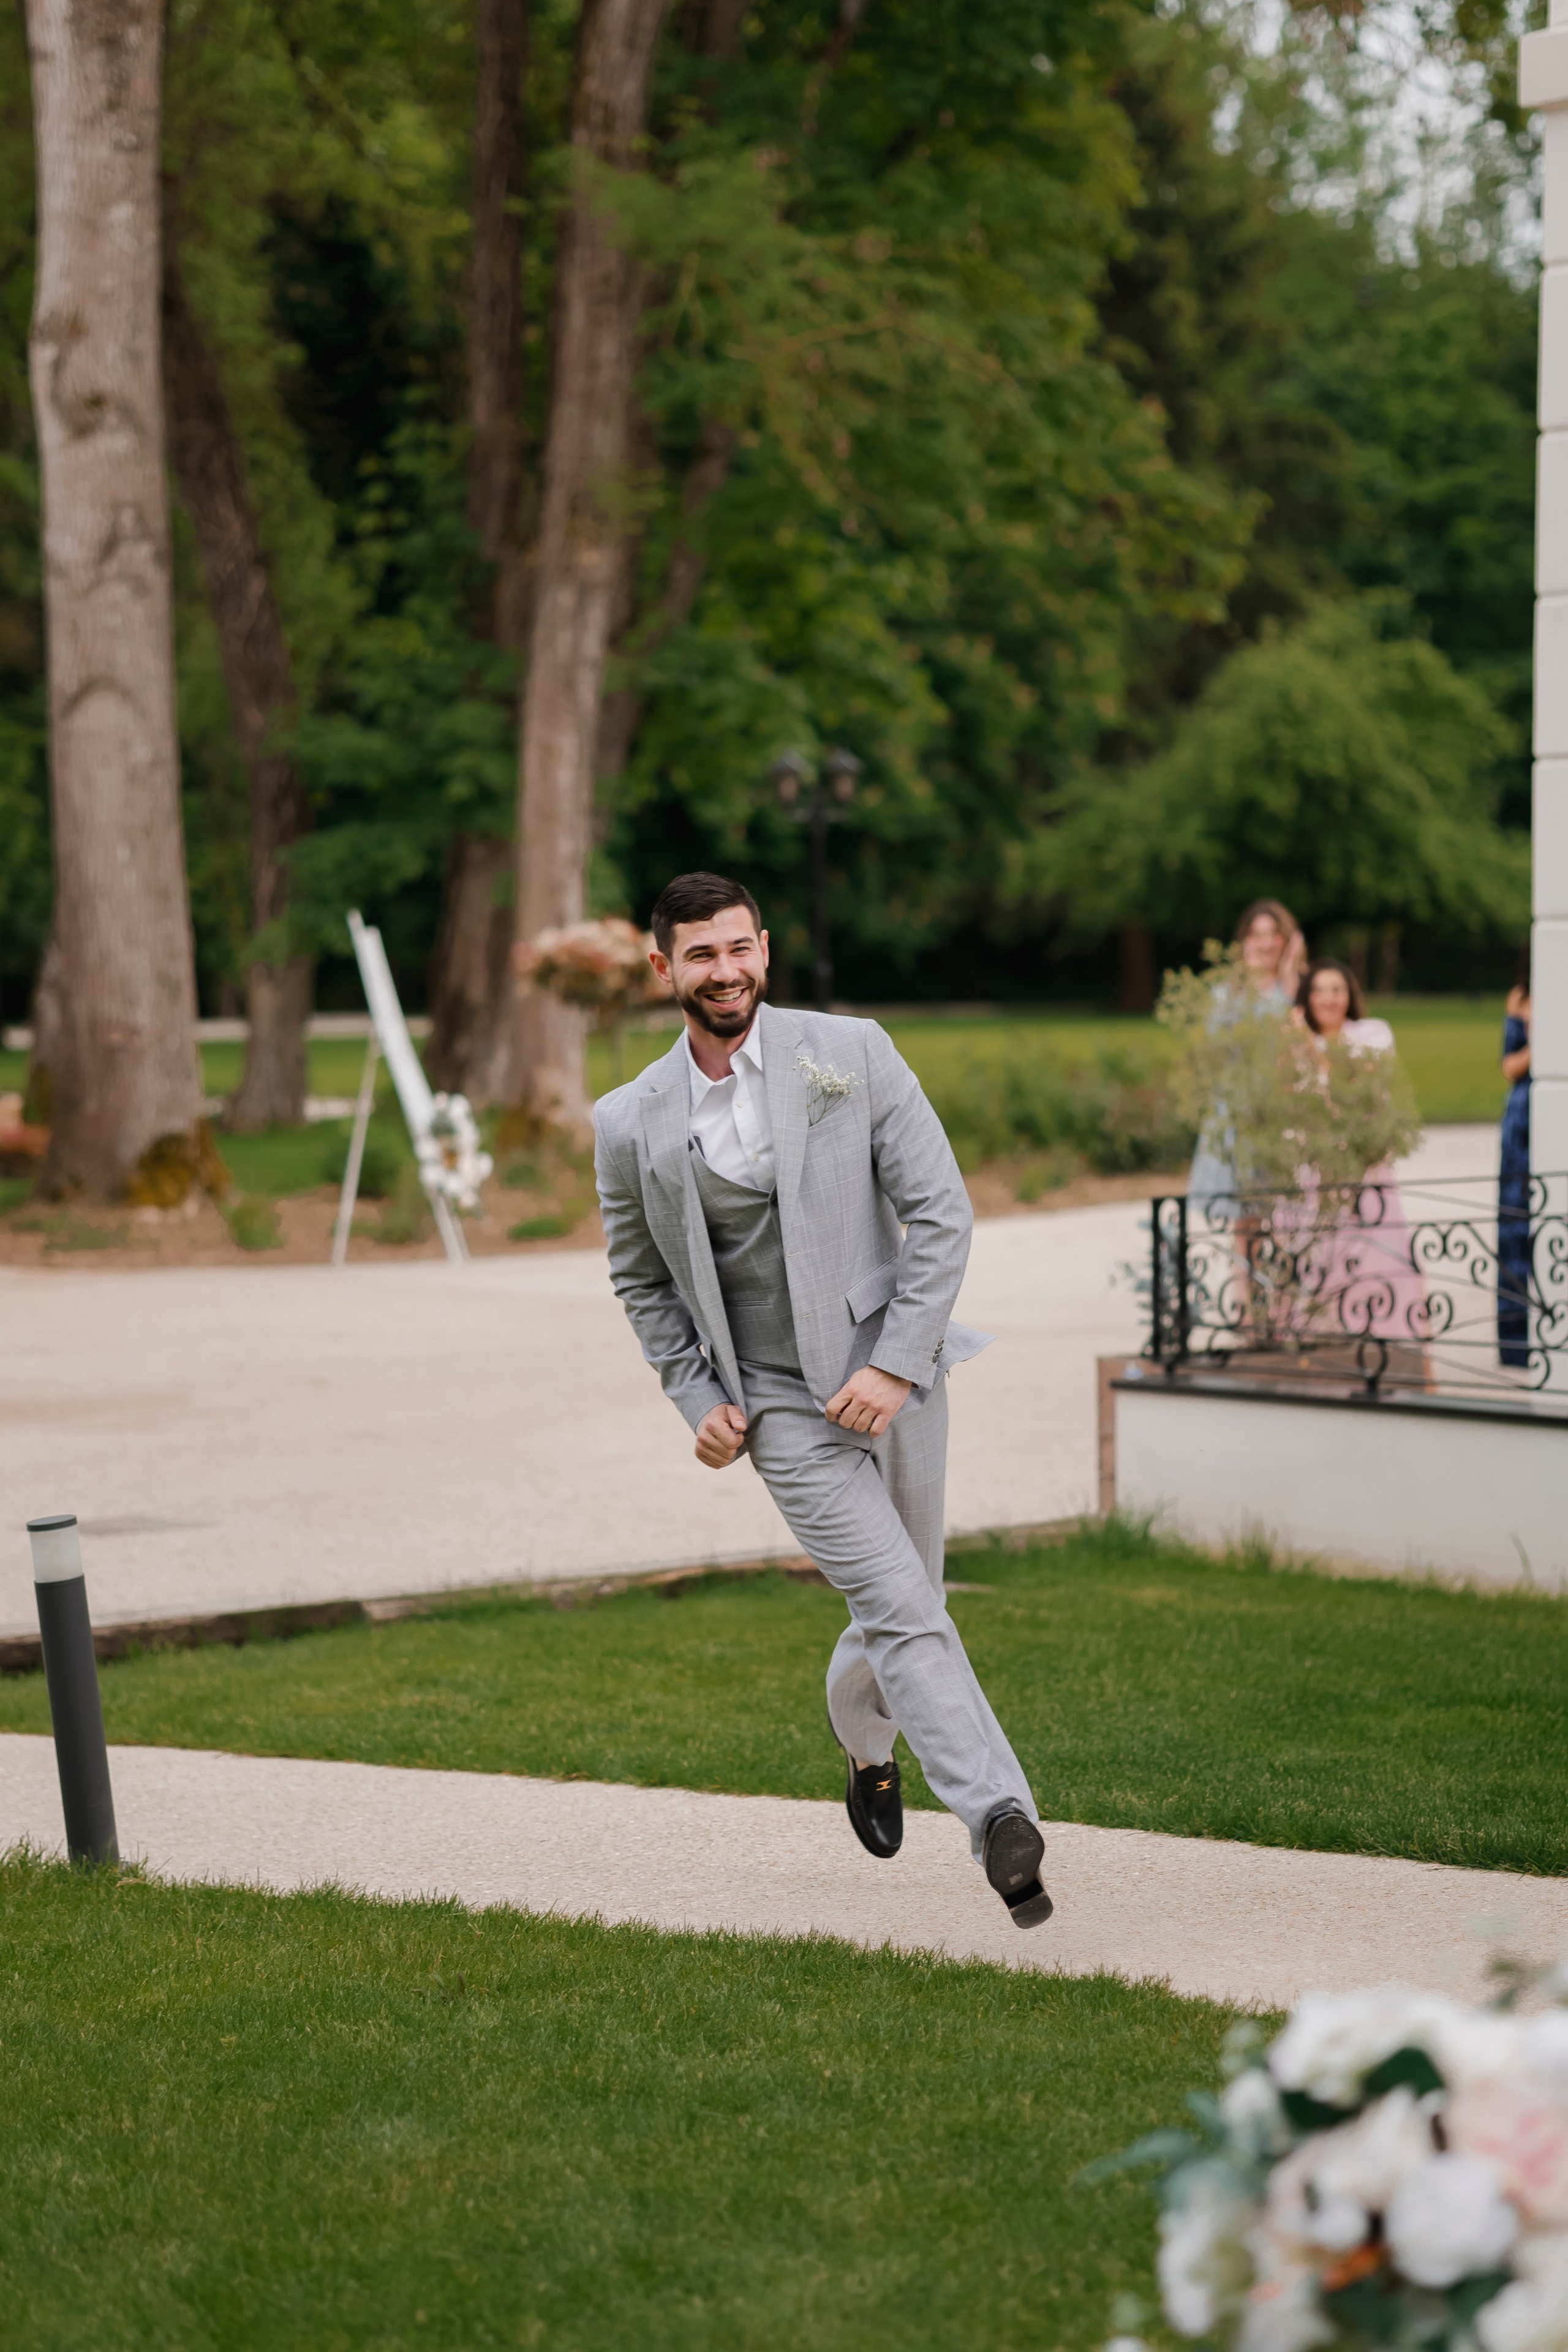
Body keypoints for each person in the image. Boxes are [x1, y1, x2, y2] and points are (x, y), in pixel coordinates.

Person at [593, 871, 1052, 1929]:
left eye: (739, 948)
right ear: (663, 968)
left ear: (765, 949)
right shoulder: (627, 1122)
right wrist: (695, 1394)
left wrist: (896, 1364)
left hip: (895, 1375)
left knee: (906, 1600)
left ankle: (864, 1744)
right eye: (701, 955)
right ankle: (1000, 1822)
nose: (725, 971)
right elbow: (641, 1281)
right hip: (778, 1407)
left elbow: (941, 1212)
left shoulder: (854, 1051)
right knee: (902, 1606)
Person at [1288, 959, 1423, 1371]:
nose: (1328, 999)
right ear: (1307, 998)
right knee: (1319, 1260)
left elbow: (1356, 1082)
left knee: (1379, 1258)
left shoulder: (1372, 1034)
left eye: (1337, 989)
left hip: (1364, 1170)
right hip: (1314, 1171)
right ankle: (1321, 1356)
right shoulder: (1292, 1044)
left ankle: (1398, 1354)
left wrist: (1308, 1043)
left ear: (1350, 996)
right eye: (1319, 990)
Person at [1187, 898, 1307, 1218]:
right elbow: (1214, 1047)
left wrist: (1290, 979)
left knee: (1289, 1209)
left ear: (1288, 940)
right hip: (1238, 1110)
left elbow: (1306, 1039)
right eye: (1257, 935)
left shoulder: (1301, 989)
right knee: (1244, 1210)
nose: (1266, 944)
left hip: (1287, 1109)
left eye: (1274, 934)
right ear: (1245, 942)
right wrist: (1252, 982)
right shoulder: (1227, 993)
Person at [1498, 977, 1531, 1369]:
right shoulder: (1520, 1001)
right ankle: (1515, 1342)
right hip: (1522, 1123)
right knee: (1515, 1226)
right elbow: (1509, 1066)